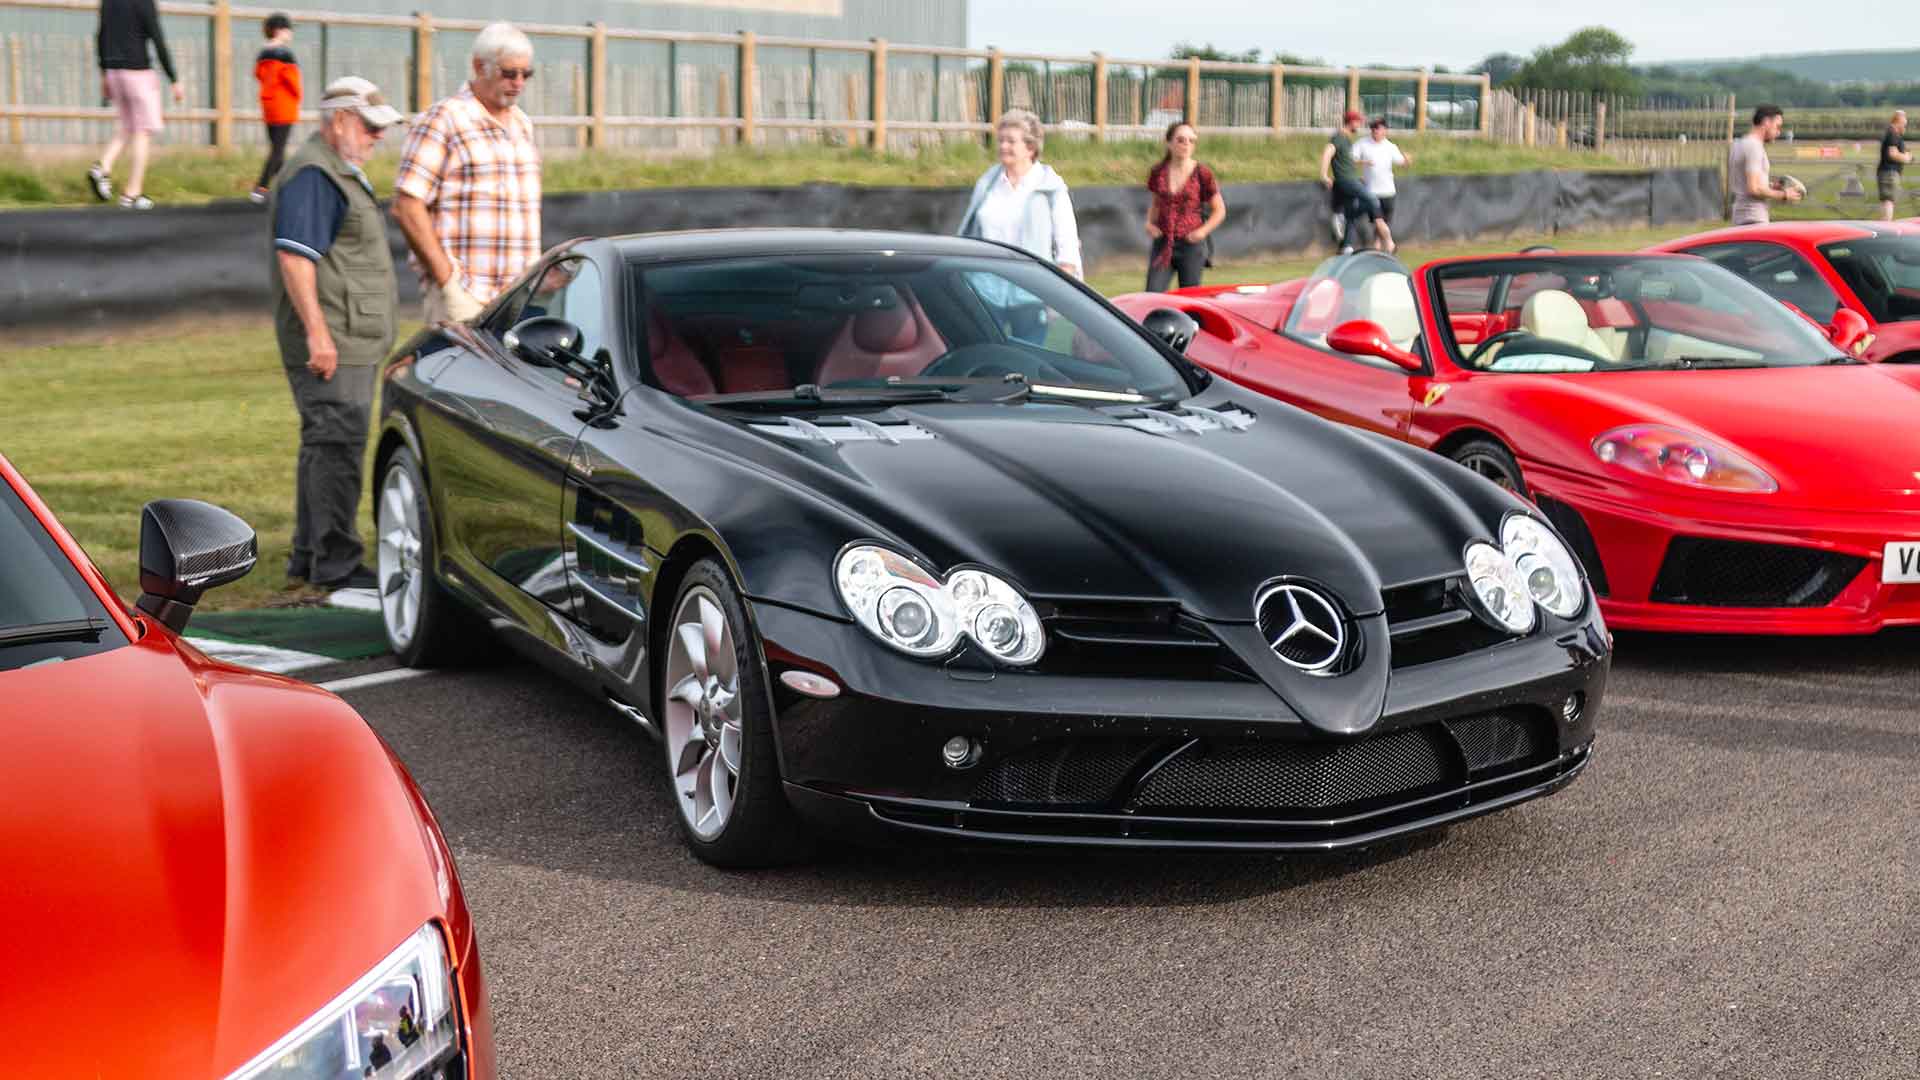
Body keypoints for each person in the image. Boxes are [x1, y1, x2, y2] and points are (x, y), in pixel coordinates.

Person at [267, 76, 404, 591]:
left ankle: (310, 555)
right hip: (337, 338)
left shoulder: (329, 170)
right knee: (339, 443)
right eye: (370, 127)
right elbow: (295, 258)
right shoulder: (315, 173)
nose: (376, 138)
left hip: (349, 333)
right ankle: (338, 562)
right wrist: (319, 336)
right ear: (340, 120)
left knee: (325, 444)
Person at [392, 22, 542, 324]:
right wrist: (448, 282)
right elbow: (407, 205)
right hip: (466, 296)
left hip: (521, 295)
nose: (518, 83)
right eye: (509, 73)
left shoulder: (523, 125)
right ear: (479, 66)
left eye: (526, 74)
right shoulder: (444, 119)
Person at [87, 0, 185, 210]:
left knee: (126, 126)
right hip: (137, 71)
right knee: (143, 130)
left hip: (114, 71)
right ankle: (132, 193)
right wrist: (173, 78)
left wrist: (104, 73)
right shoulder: (144, 2)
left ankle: (102, 167)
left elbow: (101, 37)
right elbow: (157, 38)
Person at [1144, 121, 1225, 292]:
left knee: (1189, 296)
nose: (1186, 144)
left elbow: (1219, 210)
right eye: (1181, 140)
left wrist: (1202, 232)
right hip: (1163, 243)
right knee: (1153, 293)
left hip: (1190, 244)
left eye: (1191, 140)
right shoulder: (1158, 172)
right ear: (1169, 143)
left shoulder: (1202, 173)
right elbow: (1156, 204)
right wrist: (1149, 224)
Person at [250, 13, 301, 205]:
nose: (291, 33)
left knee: (277, 149)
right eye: (289, 29)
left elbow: (258, 74)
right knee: (277, 150)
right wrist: (297, 96)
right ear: (279, 30)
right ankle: (261, 187)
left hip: (268, 106)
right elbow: (293, 81)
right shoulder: (286, 54)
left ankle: (286, 188)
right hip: (285, 106)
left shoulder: (262, 54)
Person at [1321, 109, 1383, 254]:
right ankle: (1340, 216)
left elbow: (1347, 160)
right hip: (1345, 181)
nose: (1360, 125)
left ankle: (1346, 247)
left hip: (1351, 179)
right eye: (1358, 122)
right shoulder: (1339, 137)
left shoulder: (1347, 139)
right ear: (1351, 122)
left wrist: (1363, 163)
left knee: (1352, 214)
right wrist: (1323, 174)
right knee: (1373, 200)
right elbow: (1328, 152)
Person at [1729, 104, 1801, 226]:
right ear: (1766, 122)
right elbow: (1754, 189)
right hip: (1753, 217)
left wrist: (1770, 186)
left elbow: (1746, 184)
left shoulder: (1738, 144)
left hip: (1741, 215)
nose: (1778, 133)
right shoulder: (1754, 146)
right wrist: (1784, 195)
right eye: (1777, 127)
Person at [1352, 118, 1410, 254]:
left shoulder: (1390, 146)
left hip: (1388, 190)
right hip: (1371, 191)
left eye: (1378, 128)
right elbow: (1351, 158)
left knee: (1382, 222)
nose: (1375, 131)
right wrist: (1364, 162)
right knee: (1378, 220)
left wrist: (1407, 159)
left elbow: (1402, 162)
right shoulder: (1362, 143)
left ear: (1385, 130)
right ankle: (1390, 244)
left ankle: (1376, 249)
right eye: (1373, 128)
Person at [1878, 110, 1911, 221]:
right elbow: (1892, 154)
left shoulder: (1891, 133)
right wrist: (1906, 158)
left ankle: (1884, 225)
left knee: (1887, 201)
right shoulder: (1893, 134)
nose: (1905, 127)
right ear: (1899, 122)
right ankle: (1886, 227)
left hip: (1887, 172)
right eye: (1904, 124)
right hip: (1889, 173)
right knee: (1889, 201)